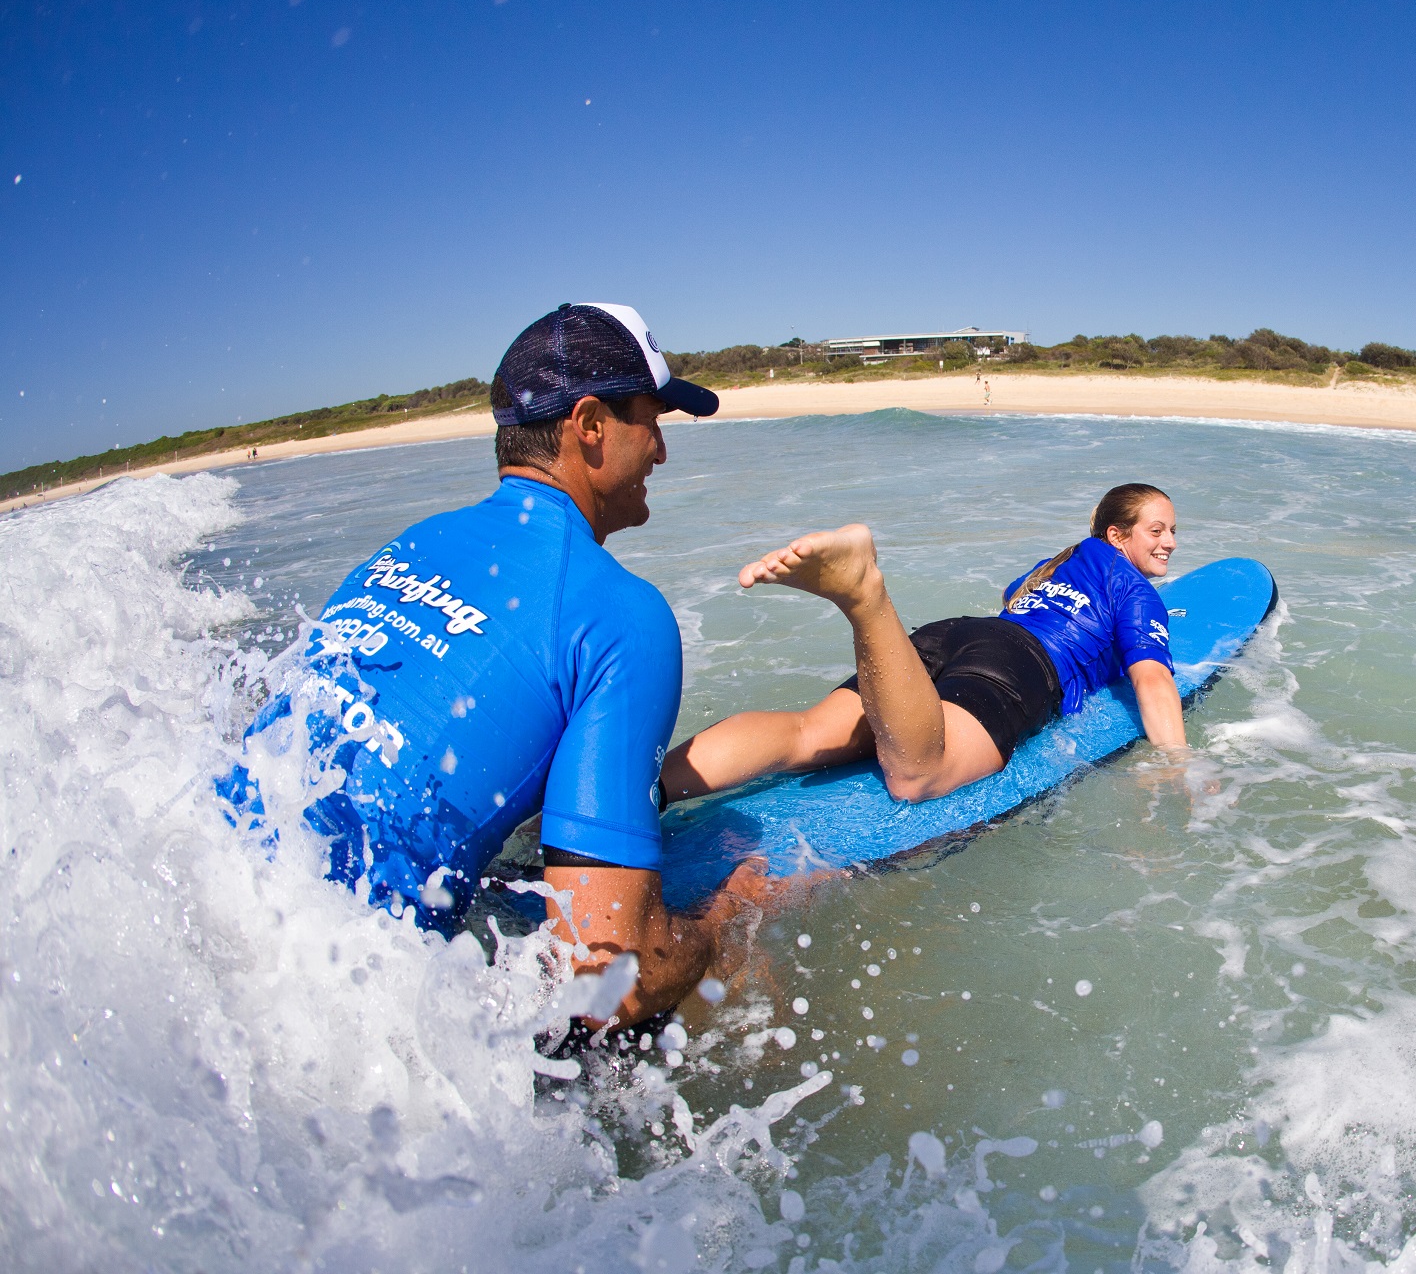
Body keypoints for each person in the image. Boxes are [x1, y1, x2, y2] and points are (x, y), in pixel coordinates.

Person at [223, 302, 760, 1029]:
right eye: (652, 419)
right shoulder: (620, 614)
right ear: (592, 426)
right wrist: (727, 916)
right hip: (322, 1012)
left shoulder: (414, 542)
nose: (661, 450)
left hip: (209, 891)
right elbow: (609, 979)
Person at [661, 484, 1187, 806]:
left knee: (807, 732)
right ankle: (866, 598)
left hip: (955, 634)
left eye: (1172, 531)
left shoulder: (1057, 563)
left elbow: (1013, 601)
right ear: (1118, 536)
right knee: (917, 774)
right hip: (1019, 664)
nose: (1170, 542)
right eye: (1156, 531)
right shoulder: (1134, 590)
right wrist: (1178, 765)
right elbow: (1154, 682)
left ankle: (646, 790)